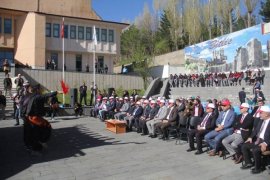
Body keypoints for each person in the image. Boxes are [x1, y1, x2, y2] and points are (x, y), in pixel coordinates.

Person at [24, 84, 59, 155]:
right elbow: (46, 95)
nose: (41, 91)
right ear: (37, 90)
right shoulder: (37, 96)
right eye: (40, 89)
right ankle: (40, 143)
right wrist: (56, 92)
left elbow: (38, 107)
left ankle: (37, 145)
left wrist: (50, 107)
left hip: (28, 117)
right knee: (46, 127)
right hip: (33, 118)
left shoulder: (30, 96)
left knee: (34, 132)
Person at [241, 106, 270, 174]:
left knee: (255, 150)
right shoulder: (261, 120)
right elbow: (256, 130)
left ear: (267, 114)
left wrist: (265, 143)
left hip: (267, 142)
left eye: (261, 113)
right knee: (244, 146)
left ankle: (258, 168)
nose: (259, 114)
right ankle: (249, 163)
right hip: (258, 140)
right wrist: (251, 137)